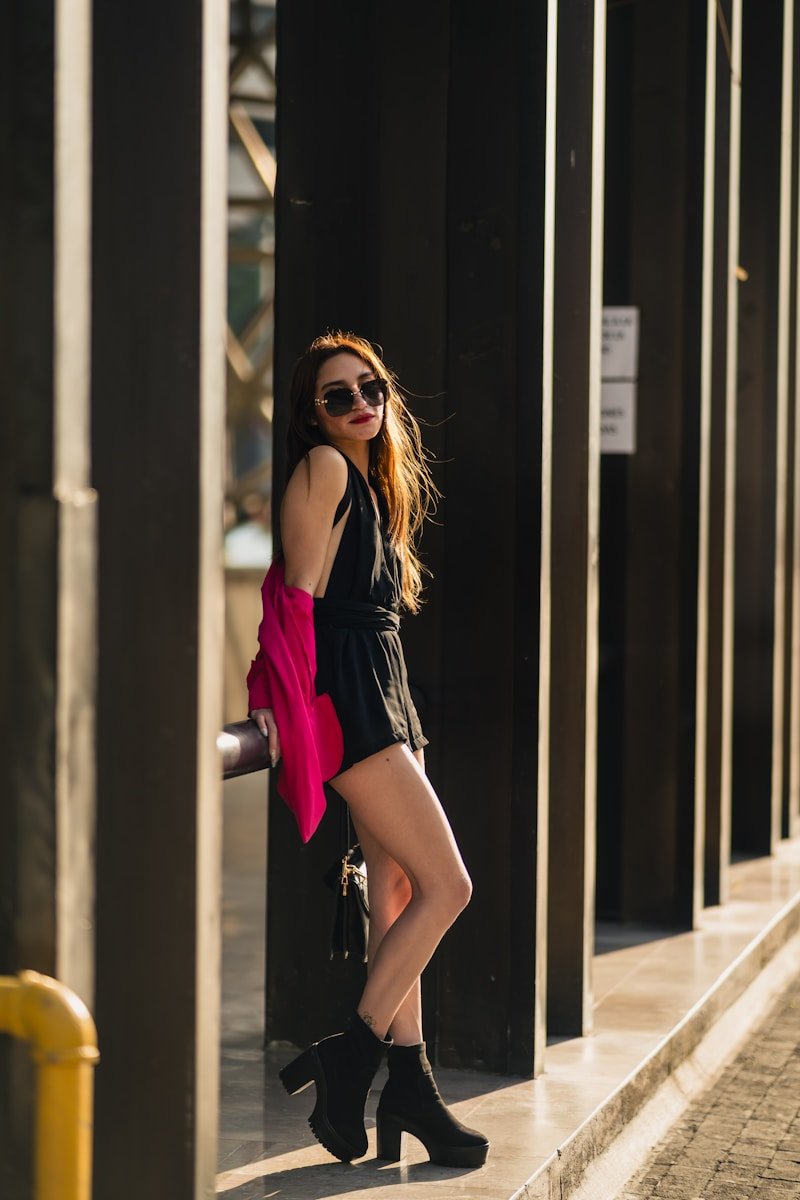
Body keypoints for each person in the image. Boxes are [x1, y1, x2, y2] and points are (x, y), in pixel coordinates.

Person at [247, 332, 489, 1169]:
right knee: (448, 885)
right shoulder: (324, 468)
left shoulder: (375, 486)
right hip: (351, 700)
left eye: (370, 386)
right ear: (312, 416)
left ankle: (410, 1087)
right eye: (337, 396)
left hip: (384, 690)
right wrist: (283, 708)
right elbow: (295, 604)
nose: (359, 404)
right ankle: (351, 1055)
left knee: (396, 890)